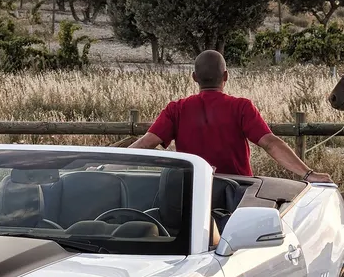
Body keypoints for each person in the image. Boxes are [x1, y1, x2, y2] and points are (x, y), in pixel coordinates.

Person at [130, 50, 333, 183]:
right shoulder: (241, 107)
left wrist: (103, 165)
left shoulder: (176, 109)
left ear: (194, 78)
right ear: (226, 76)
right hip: (237, 190)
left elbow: (146, 143)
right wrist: (308, 174)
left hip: (192, 192)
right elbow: (270, 143)